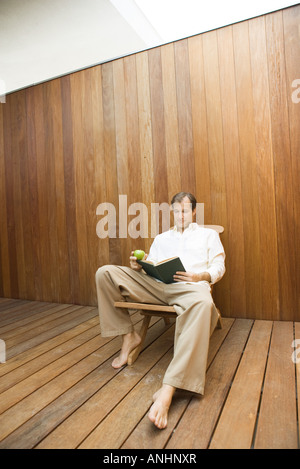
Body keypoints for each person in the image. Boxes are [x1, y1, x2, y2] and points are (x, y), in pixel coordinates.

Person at [95, 192, 225, 429]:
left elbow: (218, 267)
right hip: (157, 286)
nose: (180, 215)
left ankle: (169, 388)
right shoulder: (162, 238)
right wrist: (139, 266)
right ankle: (128, 335)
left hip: (190, 288)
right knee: (105, 272)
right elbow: (152, 267)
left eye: (184, 211)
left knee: (204, 303)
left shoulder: (209, 235)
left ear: (194, 211)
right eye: (176, 211)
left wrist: (200, 276)